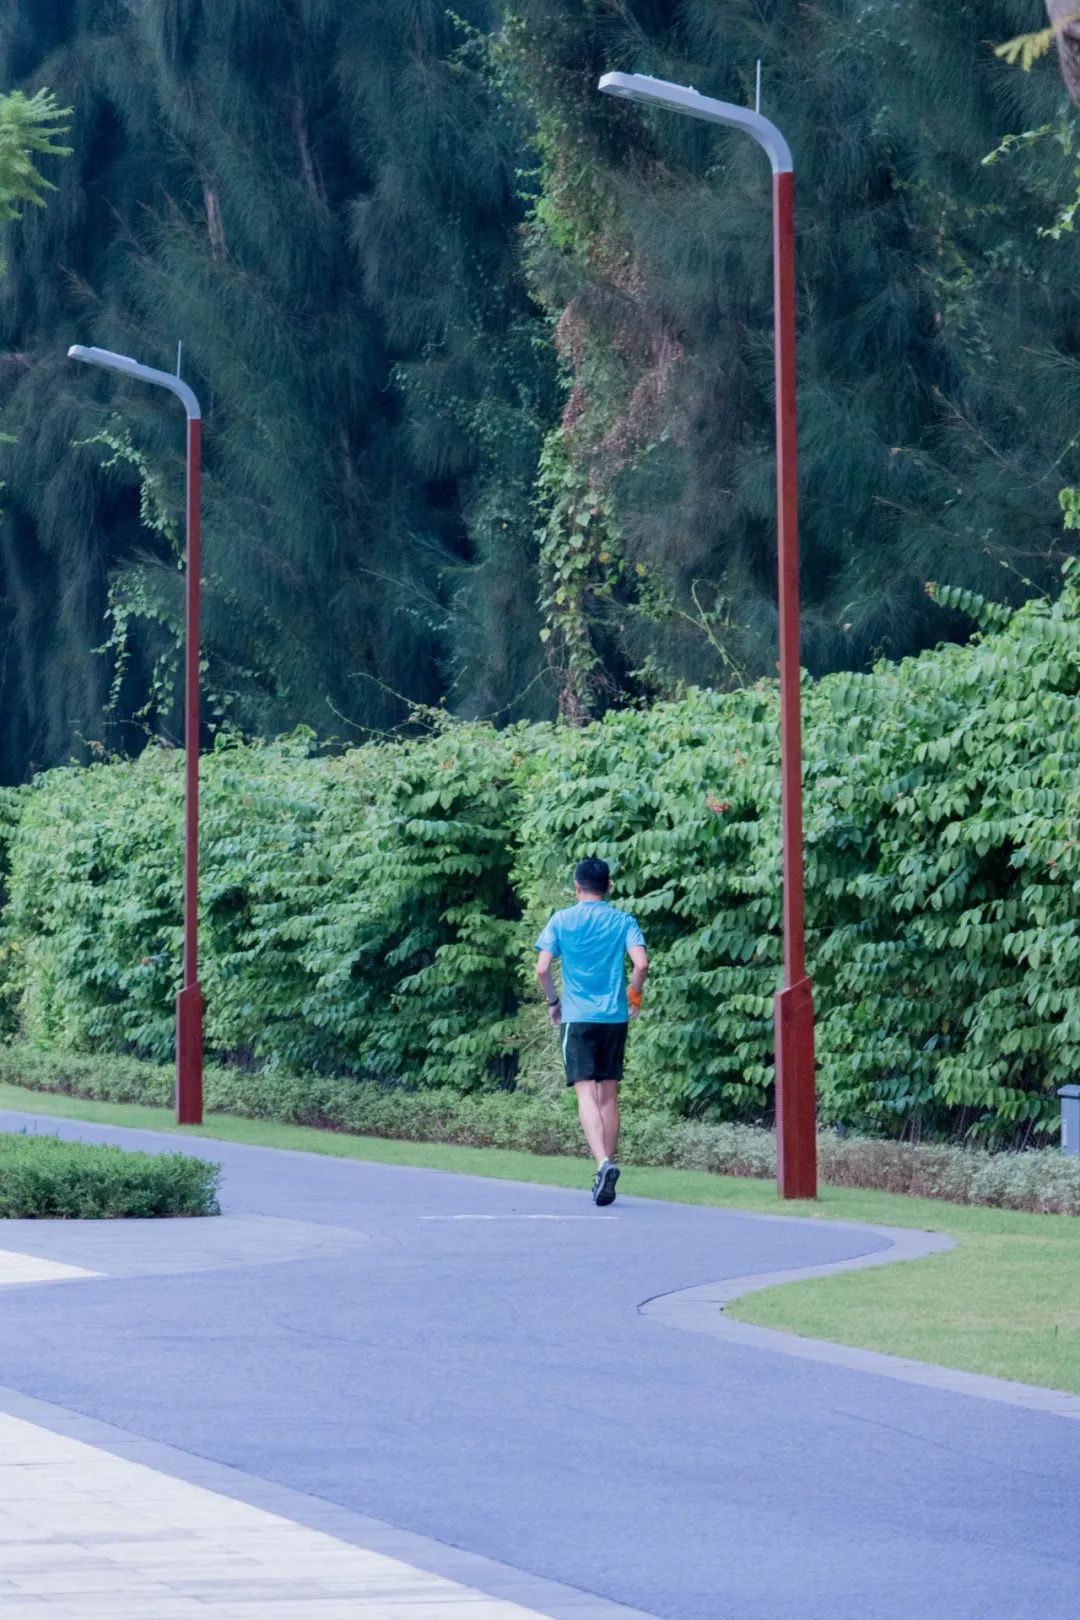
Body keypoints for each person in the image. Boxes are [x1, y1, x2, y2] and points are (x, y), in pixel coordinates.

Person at [535, 857, 648, 1206]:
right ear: (609, 886)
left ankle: (602, 1163)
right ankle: (607, 1169)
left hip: (578, 1017)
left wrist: (554, 1002)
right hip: (614, 1017)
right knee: (608, 1095)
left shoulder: (562, 920)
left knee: (585, 1094)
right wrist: (634, 994)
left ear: (577, 887)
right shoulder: (623, 920)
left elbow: (542, 970)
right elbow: (641, 964)